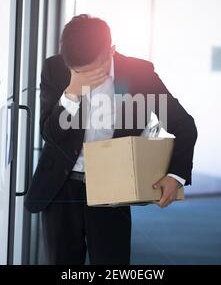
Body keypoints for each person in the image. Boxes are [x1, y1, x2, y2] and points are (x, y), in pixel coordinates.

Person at [25, 14, 197, 265]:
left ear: (110, 51)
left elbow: (184, 125)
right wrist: (72, 92)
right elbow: (48, 134)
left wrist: (176, 175)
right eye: (76, 70)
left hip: (113, 189)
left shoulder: (139, 73)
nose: (84, 76)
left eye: (90, 69)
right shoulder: (55, 68)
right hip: (61, 189)